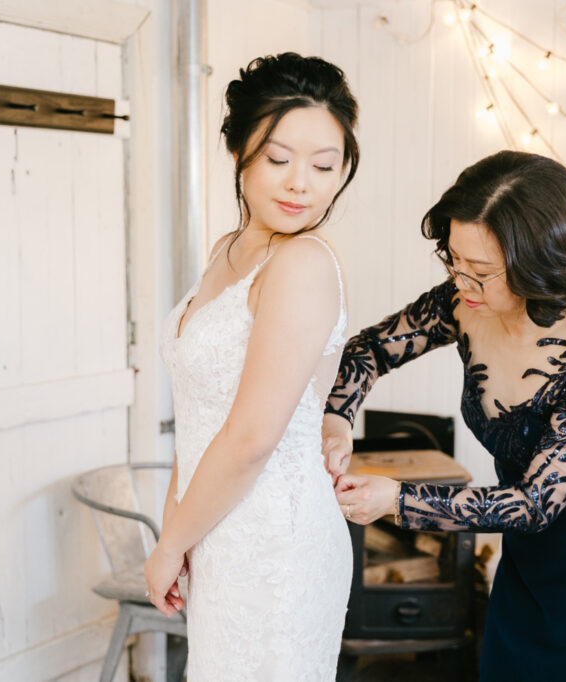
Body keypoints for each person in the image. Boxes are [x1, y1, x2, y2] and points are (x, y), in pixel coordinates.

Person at [323, 151, 566, 681]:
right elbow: (370, 351)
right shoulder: (465, 302)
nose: (462, 283)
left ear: (538, 264)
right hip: (527, 540)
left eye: (481, 272)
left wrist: (396, 499)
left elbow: (534, 504)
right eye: (454, 262)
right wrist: (338, 419)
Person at [145, 52, 359, 681]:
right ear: (239, 151)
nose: (302, 184)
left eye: (325, 165)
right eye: (278, 158)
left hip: (276, 540)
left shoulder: (303, 264)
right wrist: (176, 528)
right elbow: (198, 409)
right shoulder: (228, 251)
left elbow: (250, 437)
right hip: (216, 526)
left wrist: (168, 543)